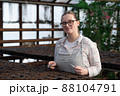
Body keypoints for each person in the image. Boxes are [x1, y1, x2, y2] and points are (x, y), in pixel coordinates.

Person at [48, 11, 101, 77]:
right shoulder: (59, 44)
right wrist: (54, 64)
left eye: (70, 22)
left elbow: (97, 67)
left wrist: (86, 71)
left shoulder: (87, 43)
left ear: (77, 23)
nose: (67, 25)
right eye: (64, 23)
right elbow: (57, 63)